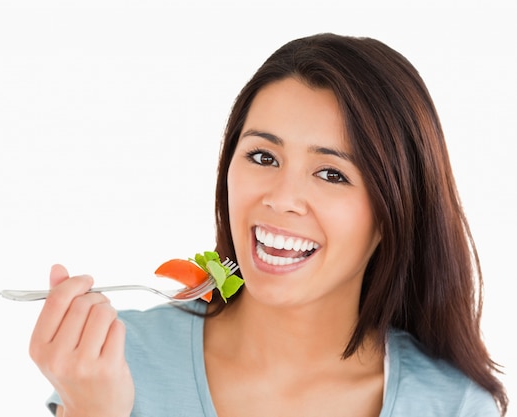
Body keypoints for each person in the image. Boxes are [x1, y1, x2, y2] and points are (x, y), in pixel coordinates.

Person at [28, 33, 508, 416]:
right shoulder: (114, 363)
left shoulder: (453, 406)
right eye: (262, 156)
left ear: (394, 213)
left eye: (331, 173)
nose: (280, 199)